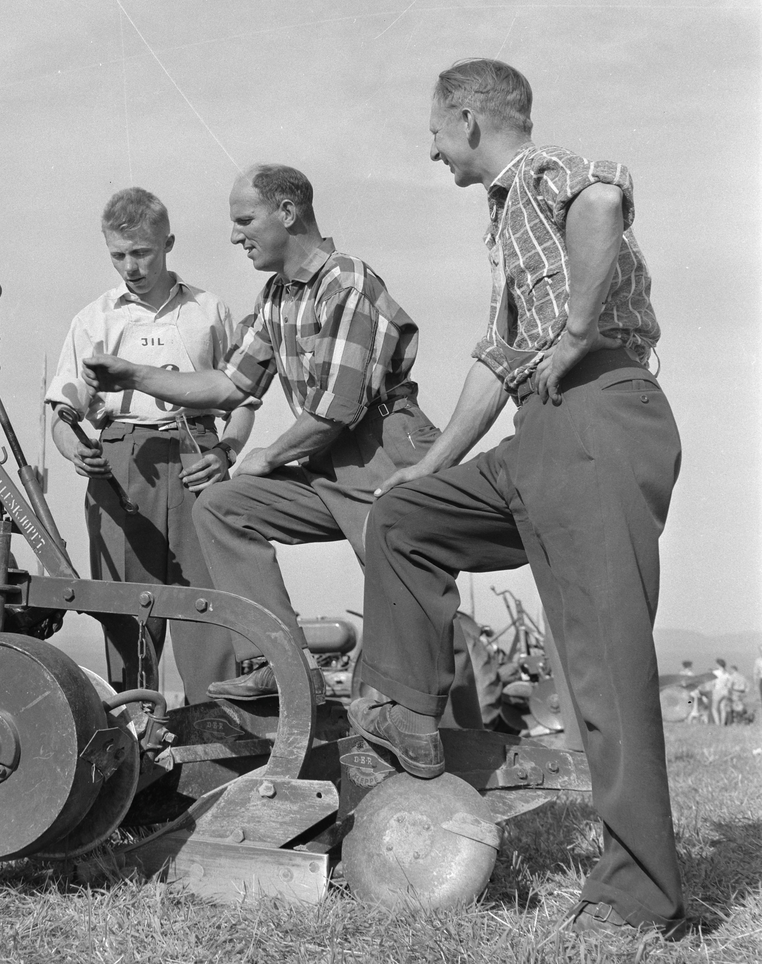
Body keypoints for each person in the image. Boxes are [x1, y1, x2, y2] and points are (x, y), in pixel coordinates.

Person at [351, 60, 685, 939]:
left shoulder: (540, 173)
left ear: (468, 118)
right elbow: (498, 362)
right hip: (535, 436)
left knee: (601, 670)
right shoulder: (506, 222)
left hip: (598, 420)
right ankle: (406, 717)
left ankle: (639, 900)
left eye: (433, 134)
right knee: (403, 519)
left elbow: (604, 202)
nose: (431, 153)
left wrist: (577, 330)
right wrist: (429, 468)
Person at [83, 164, 445, 704]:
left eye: (245, 220)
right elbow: (229, 383)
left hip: (381, 451)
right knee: (224, 505)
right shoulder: (277, 296)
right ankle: (284, 663)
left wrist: (262, 456)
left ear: (288, 213)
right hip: (327, 462)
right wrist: (134, 375)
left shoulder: (347, 282)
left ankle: (425, 718)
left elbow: (336, 408)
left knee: (407, 594)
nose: (235, 236)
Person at [45, 187, 255, 704]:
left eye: (141, 253)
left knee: (208, 606)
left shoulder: (209, 312)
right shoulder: (94, 320)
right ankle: (138, 734)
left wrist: (226, 452)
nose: (130, 267)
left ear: (168, 244)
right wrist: (74, 448)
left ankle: (215, 729)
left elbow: (244, 401)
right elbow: (62, 411)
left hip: (196, 458)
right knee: (126, 613)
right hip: (119, 465)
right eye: (118, 255)